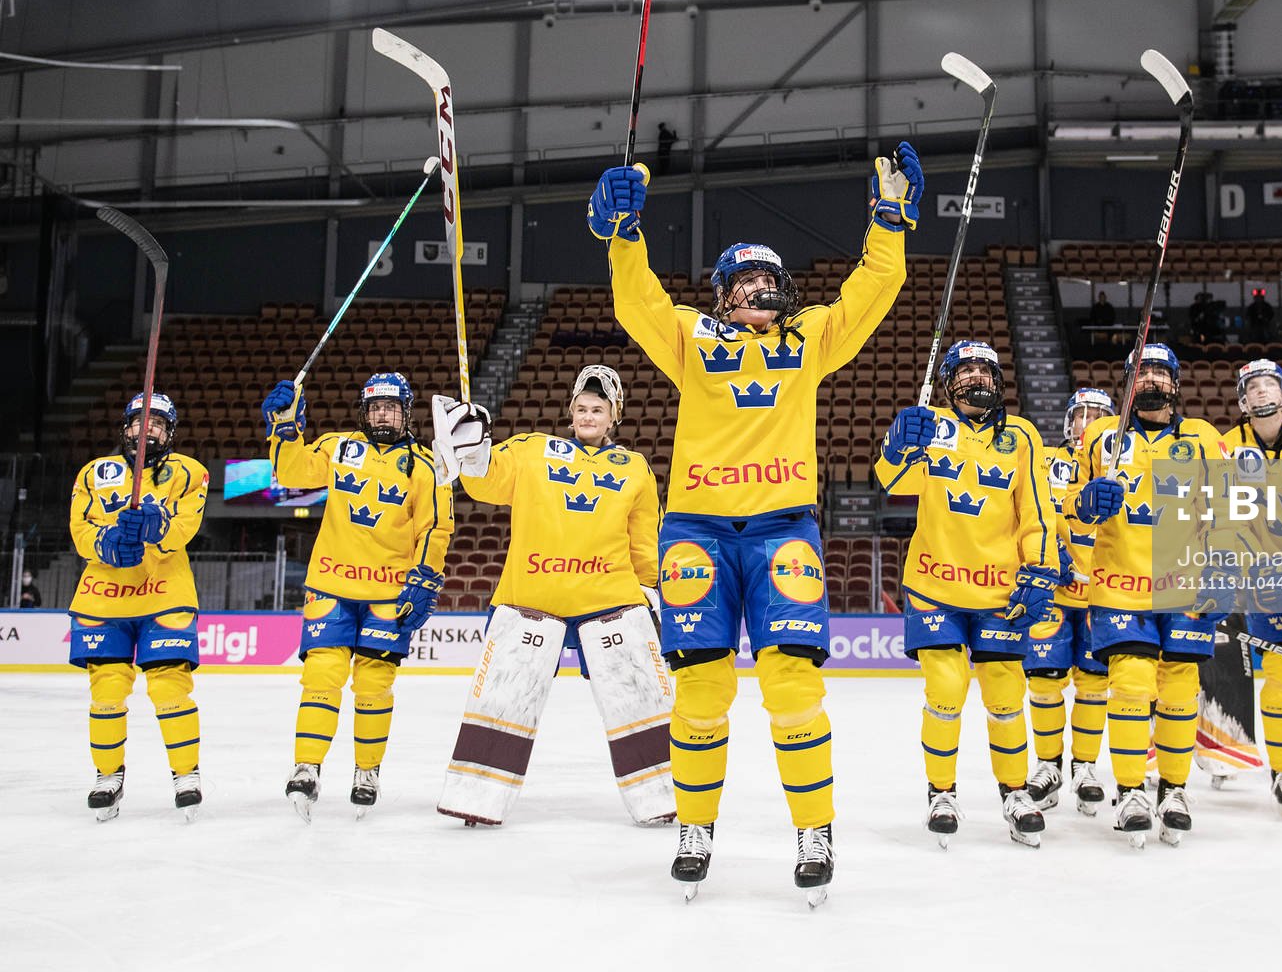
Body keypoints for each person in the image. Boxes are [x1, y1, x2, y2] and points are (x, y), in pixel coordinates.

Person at [590, 143, 919, 903]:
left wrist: (890, 220)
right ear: (721, 294)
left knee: (791, 683)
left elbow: (876, 288)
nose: (762, 286)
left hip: (782, 529)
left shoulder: (808, 342)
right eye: (746, 278)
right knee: (702, 690)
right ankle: (695, 830)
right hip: (697, 530)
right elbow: (634, 301)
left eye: (772, 277)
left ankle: (814, 832)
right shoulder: (689, 338)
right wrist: (624, 233)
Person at [433, 365, 674, 827]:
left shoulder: (635, 467)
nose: (588, 415)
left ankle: (662, 795)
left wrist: (650, 594)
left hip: (611, 597)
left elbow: (645, 540)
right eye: (581, 408)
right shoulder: (534, 449)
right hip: (532, 592)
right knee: (503, 697)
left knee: (641, 698)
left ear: (614, 416)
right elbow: (485, 481)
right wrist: (471, 445)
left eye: (598, 409)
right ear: (570, 412)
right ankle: (477, 797)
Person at [875, 341, 1054, 847]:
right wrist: (897, 442)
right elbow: (891, 480)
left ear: (999, 380)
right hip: (935, 584)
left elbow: (1037, 511)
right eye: (966, 369)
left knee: (1004, 693)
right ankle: (941, 792)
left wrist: (1040, 568)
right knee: (947, 689)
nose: (977, 376)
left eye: (986, 368)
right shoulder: (929, 422)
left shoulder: (1021, 435)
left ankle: (1015, 792)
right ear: (948, 380)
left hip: (1001, 590)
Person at [262, 371, 452, 820]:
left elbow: (435, 527)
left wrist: (425, 577)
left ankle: (366, 772)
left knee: (374, 684)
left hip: (389, 591)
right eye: (375, 407)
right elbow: (289, 471)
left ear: (406, 413)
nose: (382, 414)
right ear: (363, 411)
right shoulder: (336, 446)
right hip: (331, 583)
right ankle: (306, 767)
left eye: (391, 407)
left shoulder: (426, 466)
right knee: (322, 677)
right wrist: (284, 429)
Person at [1069, 344, 1230, 846]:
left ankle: (1175, 790)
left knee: (1180, 689)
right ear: (1128, 383)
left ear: (1176, 383)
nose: (1152, 379)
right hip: (1119, 585)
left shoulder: (1204, 438)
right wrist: (1088, 502)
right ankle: (1132, 792)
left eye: (1161, 371)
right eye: (1142, 372)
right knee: (1133, 686)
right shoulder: (1100, 436)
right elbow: (1071, 508)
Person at [67, 393, 209, 821]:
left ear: (170, 432)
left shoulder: (190, 472)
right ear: (124, 428)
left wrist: (156, 526)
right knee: (106, 691)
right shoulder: (94, 473)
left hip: (166, 590)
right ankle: (107, 775)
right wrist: (107, 544)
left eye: (158, 425)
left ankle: (186, 775)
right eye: (138, 423)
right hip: (104, 594)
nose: (146, 431)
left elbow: (186, 527)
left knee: (170, 687)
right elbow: (80, 528)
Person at [1024, 386, 1114, 816]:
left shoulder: (1123, 467)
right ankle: (1047, 765)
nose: (1088, 422)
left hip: (1104, 593)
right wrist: (1051, 553)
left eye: (1098, 415)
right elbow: (1029, 509)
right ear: (1068, 421)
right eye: (1082, 414)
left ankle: (1086, 767)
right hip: (1055, 592)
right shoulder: (1046, 460)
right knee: (1044, 681)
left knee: (1095, 684)